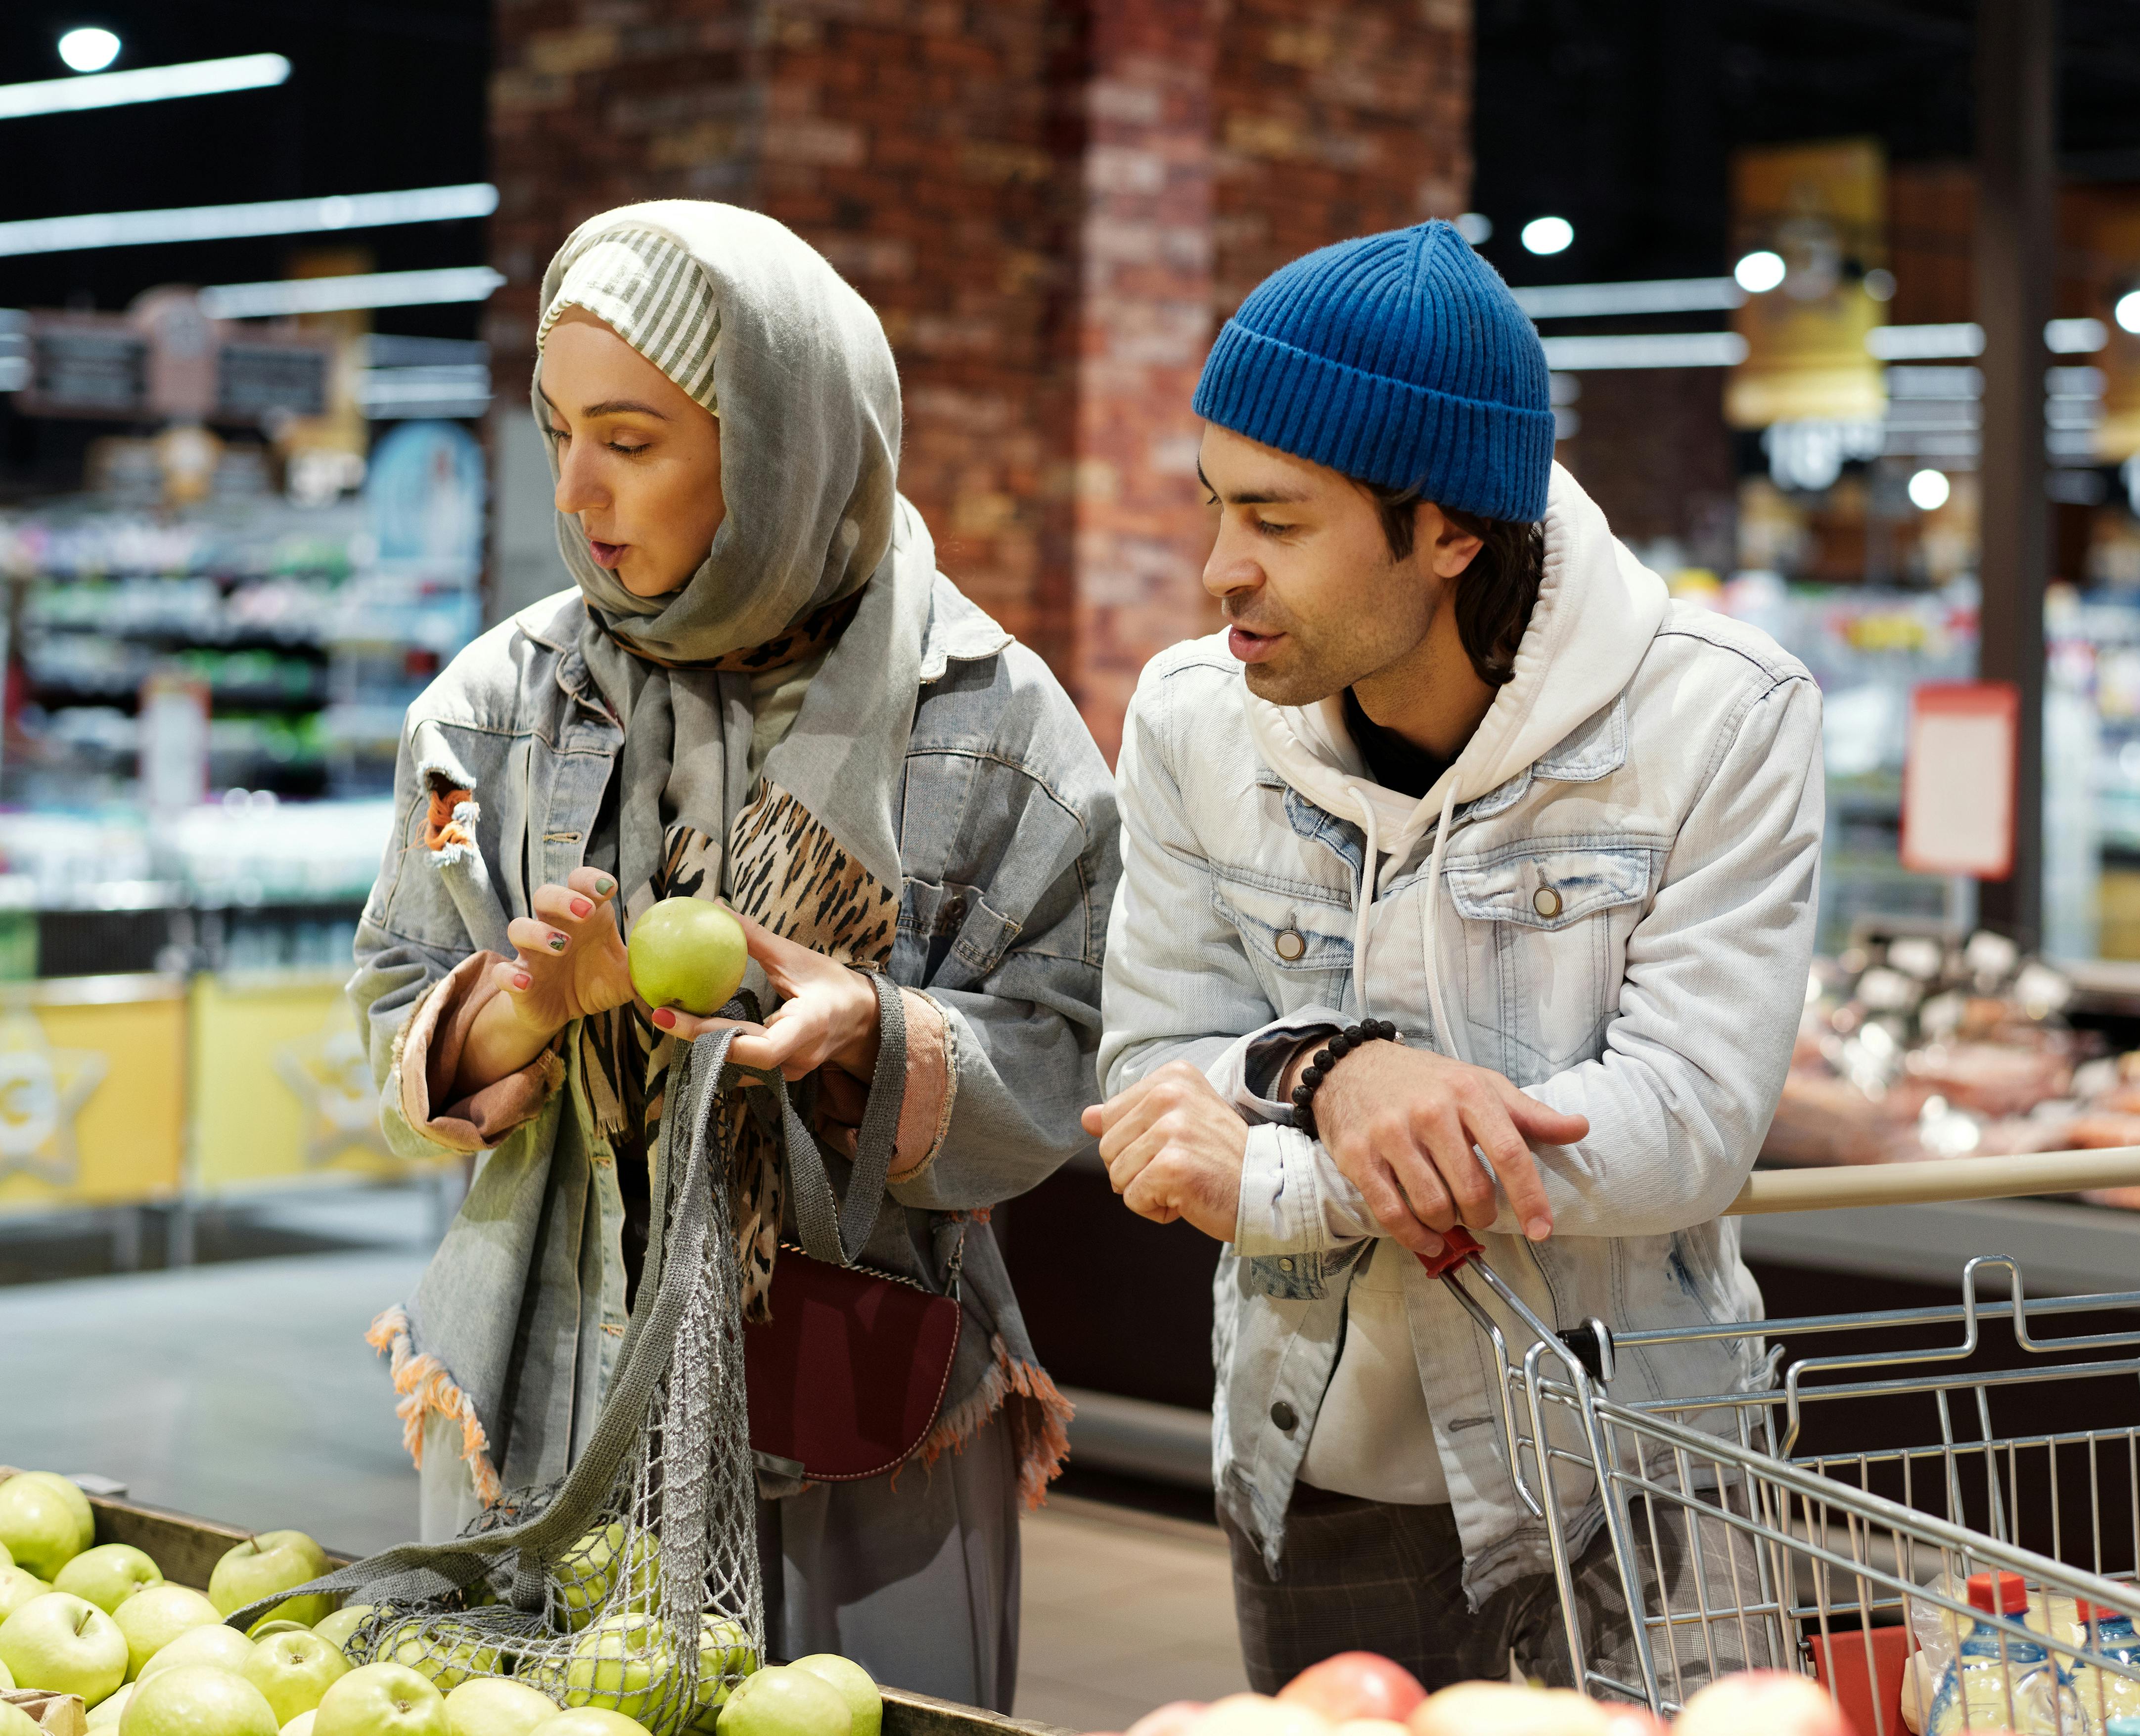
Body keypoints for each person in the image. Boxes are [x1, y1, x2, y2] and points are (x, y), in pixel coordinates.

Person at [350, 201, 1115, 1711]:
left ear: (777, 441)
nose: (577, 489)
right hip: (537, 1398)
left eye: (629, 440)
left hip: (856, 1414)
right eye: (558, 429)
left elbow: (1072, 1048)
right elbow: (388, 1002)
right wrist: (524, 1009)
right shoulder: (482, 718)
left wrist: (876, 1036)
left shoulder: (991, 728)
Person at [1086, 219, 1823, 1691]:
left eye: (1279, 522)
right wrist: (1334, 1065)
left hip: (1637, 1472)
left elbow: (1679, 1128)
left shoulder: (1719, 720)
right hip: (1319, 1463)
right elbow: (1150, 1075)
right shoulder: (1189, 721)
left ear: (1448, 532)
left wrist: (1285, 1171)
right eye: (1215, 506)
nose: (1221, 568)